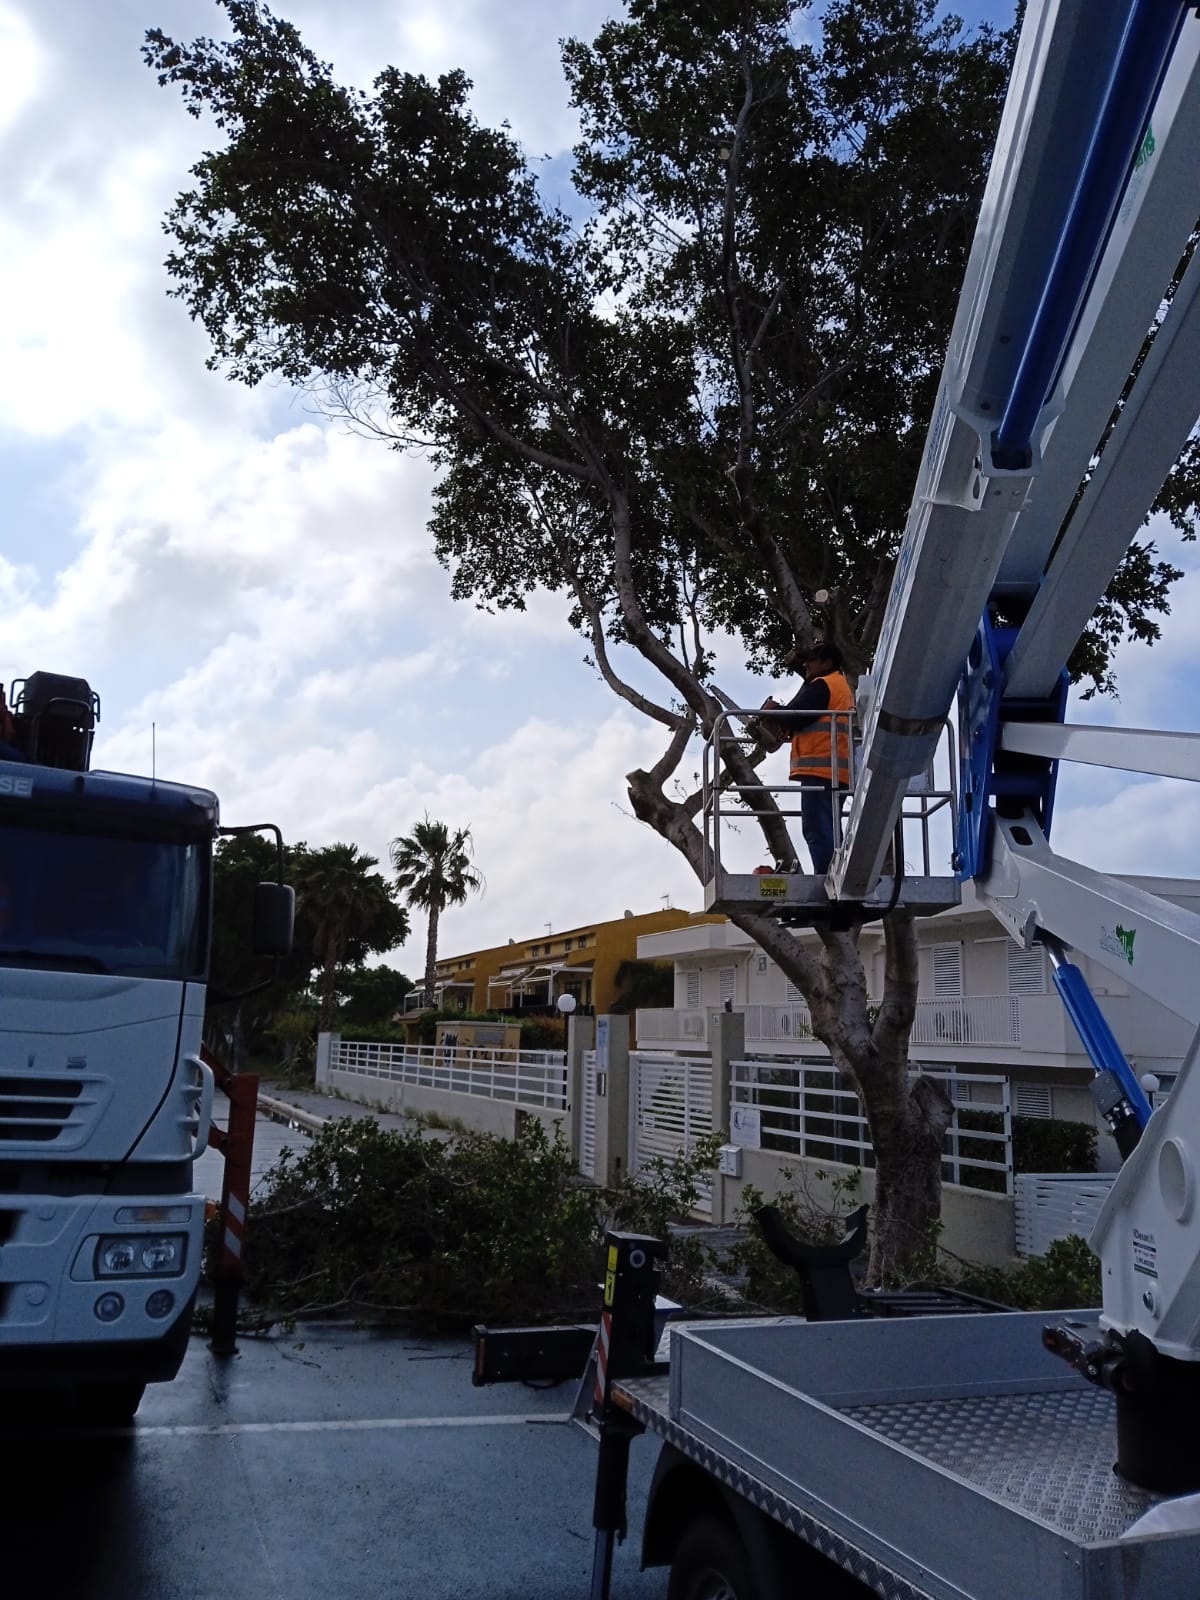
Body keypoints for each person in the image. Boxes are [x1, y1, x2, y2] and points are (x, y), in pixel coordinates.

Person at [763, 641, 854, 875]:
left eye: (811, 660)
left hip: (821, 770)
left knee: (817, 828)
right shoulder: (838, 685)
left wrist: (773, 711)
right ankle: (835, 872)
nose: (806, 664)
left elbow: (798, 716)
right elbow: (807, 719)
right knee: (829, 827)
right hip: (834, 770)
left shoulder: (823, 685)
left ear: (827, 663)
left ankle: (827, 877)